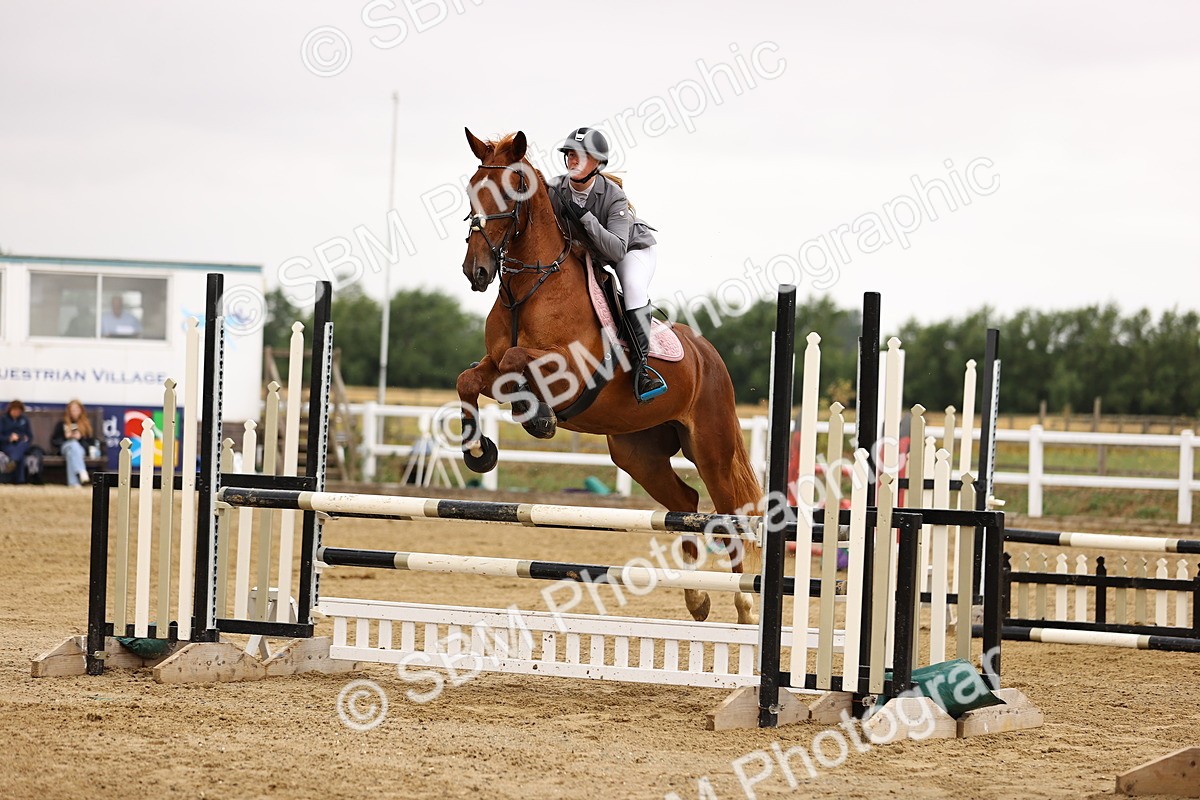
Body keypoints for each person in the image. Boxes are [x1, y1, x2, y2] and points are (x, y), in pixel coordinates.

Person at [546, 127, 667, 404]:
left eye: (580, 156)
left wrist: (587, 218)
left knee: (634, 287)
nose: (572, 160)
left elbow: (616, 249)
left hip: (631, 250)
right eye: (569, 155)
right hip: (589, 254)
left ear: (597, 163)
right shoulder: (555, 189)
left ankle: (642, 368)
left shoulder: (613, 196)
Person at [51, 400, 99, 487]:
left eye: (76, 409)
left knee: (72, 452)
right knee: (72, 445)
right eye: (72, 410)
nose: (74, 412)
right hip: (65, 447)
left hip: (80, 450)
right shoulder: (62, 423)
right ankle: (81, 471)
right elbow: (55, 441)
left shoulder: (85, 424)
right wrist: (66, 437)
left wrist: (80, 438)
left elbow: (90, 443)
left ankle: (74, 483)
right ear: (68, 411)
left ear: (81, 410)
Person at [0, 400, 33, 483]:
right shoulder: (3, 420)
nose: (16, 412)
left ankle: (13, 460)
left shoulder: (24, 420)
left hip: (21, 444)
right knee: (20, 456)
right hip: (8, 445)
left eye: (18, 411)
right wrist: (9, 438)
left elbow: (30, 436)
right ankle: (20, 481)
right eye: (14, 410)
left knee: (22, 446)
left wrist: (22, 437)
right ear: (10, 410)